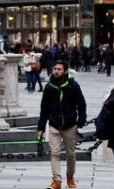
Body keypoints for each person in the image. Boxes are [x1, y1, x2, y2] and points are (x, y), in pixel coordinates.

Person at [37, 61, 87, 189]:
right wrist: (41, 127)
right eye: (55, 69)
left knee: (71, 154)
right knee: (54, 153)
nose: (56, 71)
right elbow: (44, 109)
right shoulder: (49, 87)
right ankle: (57, 180)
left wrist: (80, 121)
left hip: (70, 125)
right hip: (54, 125)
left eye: (59, 69)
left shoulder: (73, 85)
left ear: (65, 71)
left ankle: (70, 176)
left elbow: (81, 104)